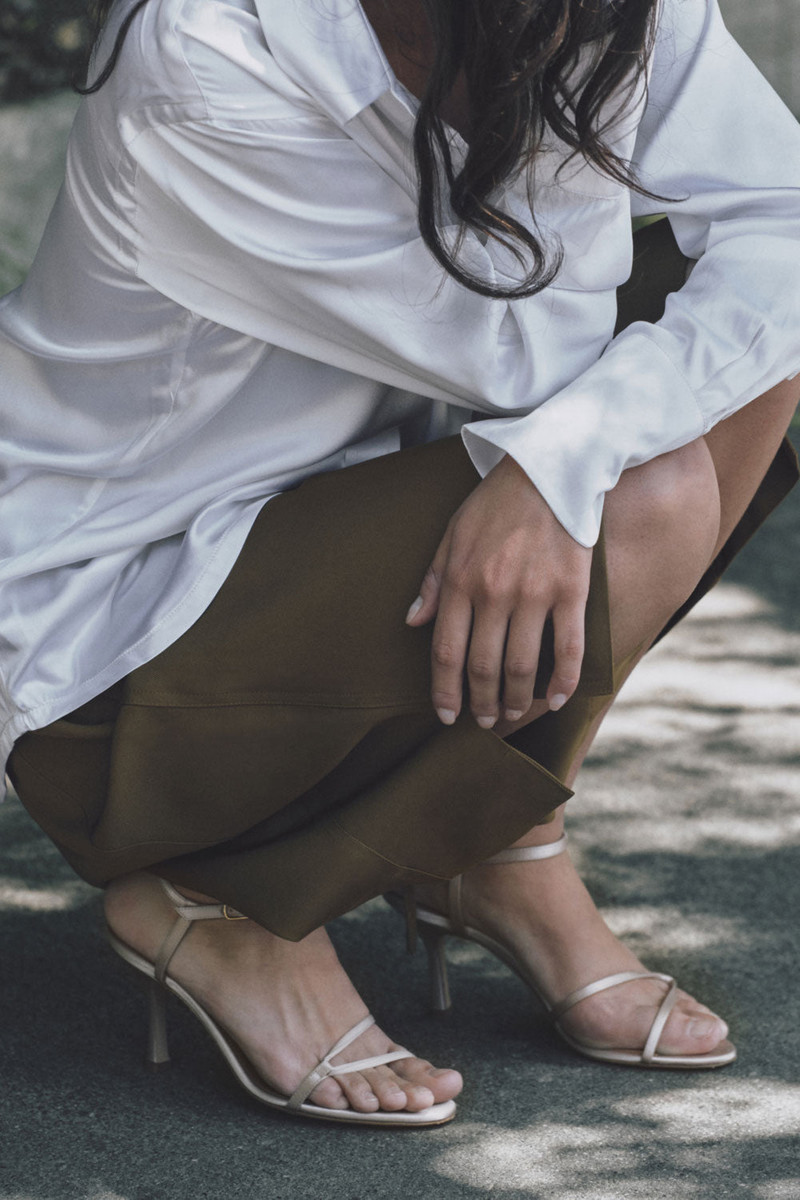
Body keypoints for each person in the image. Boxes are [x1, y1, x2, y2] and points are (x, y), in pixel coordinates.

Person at [1, 0, 799, 1125]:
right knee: (642, 481)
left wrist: (557, 459)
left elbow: (783, 219)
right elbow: (529, 352)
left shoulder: (592, 9)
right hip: (115, 650)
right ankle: (227, 900)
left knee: (742, 373)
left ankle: (492, 841)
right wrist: (557, 457)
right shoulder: (210, 58)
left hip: (346, 529)